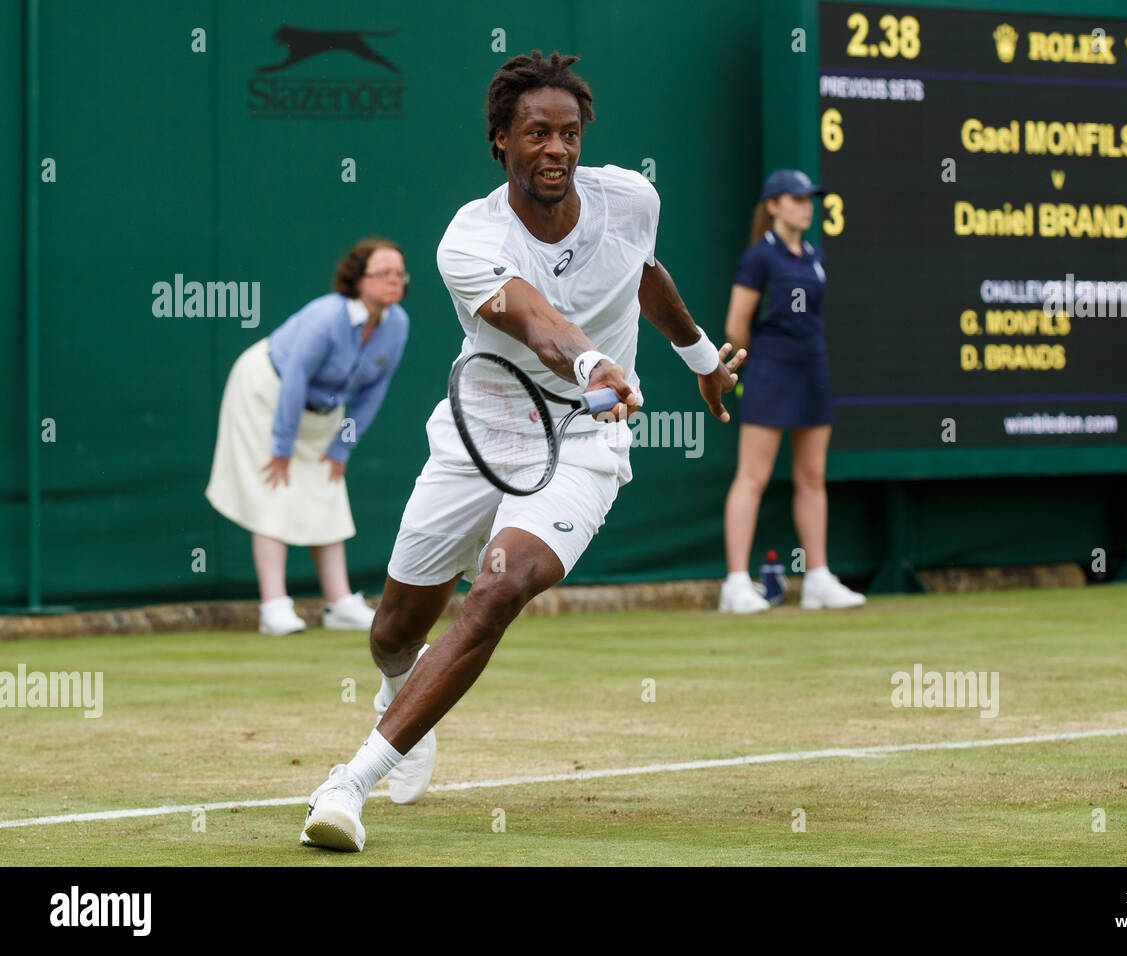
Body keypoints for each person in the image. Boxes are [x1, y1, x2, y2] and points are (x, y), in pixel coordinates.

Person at [297, 50, 744, 851]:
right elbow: (531, 318)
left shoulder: (631, 197)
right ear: (501, 141)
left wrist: (702, 359)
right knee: (392, 634)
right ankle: (406, 701)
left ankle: (348, 784)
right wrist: (591, 362)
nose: (557, 150)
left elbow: (642, 277)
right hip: (485, 430)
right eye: (537, 133)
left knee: (502, 587)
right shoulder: (468, 239)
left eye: (569, 133)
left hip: (585, 440)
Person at [205, 239, 411, 635]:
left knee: (325, 489)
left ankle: (338, 603)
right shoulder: (326, 317)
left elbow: (373, 392)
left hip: (322, 413)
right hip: (265, 392)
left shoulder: (397, 325)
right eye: (383, 273)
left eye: (399, 273)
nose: (394, 280)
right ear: (358, 279)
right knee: (273, 488)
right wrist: (280, 447)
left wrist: (342, 447)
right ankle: (274, 606)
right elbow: (295, 379)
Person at [717, 169, 866, 613]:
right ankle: (736, 584)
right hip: (770, 369)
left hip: (813, 368)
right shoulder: (759, 257)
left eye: (809, 199)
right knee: (753, 476)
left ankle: (818, 578)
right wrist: (753, 362)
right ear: (773, 205)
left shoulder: (815, 255)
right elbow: (735, 323)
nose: (807, 205)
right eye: (797, 198)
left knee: (811, 476)